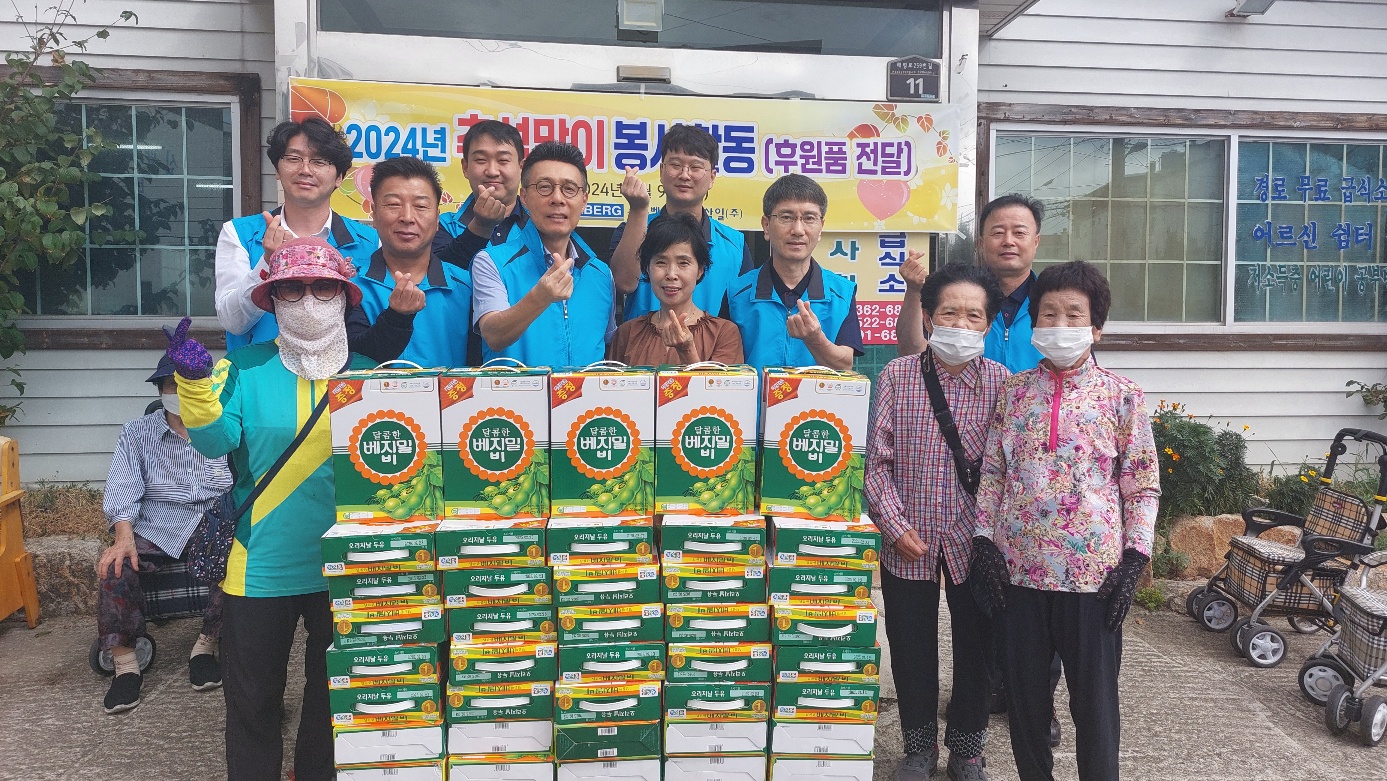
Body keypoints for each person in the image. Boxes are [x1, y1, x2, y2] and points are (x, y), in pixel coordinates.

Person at [168, 238, 376, 781]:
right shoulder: (242, 367)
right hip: (260, 565)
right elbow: (213, 442)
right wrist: (194, 386)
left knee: (332, 697)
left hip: (349, 566)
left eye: (323, 287)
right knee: (254, 700)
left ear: (344, 296)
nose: (308, 300)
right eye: (292, 289)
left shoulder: (373, 376)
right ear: (272, 300)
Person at [969, 260, 1160, 781]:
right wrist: (983, 542)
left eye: (1073, 315)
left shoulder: (1122, 395)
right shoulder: (1013, 392)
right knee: (1026, 706)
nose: (1059, 324)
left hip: (1093, 580)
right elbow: (994, 474)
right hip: (1018, 575)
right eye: (1048, 314)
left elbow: (1142, 484)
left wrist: (1135, 558)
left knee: (1094, 707)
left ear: (1096, 327)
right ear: (1033, 324)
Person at [865, 263, 1008, 781]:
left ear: (987, 324)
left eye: (973, 316)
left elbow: (1007, 470)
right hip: (909, 537)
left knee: (978, 646)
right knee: (910, 646)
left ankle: (968, 750)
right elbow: (875, 463)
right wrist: (893, 524)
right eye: (949, 313)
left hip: (976, 540)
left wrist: (990, 534)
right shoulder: (897, 375)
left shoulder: (1001, 383)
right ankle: (918, 748)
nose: (961, 324)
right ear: (928, 317)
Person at [97, 357, 234, 714]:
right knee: (115, 566)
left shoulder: (225, 428)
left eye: (189, 382)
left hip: (213, 520)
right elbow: (123, 485)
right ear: (160, 390)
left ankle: (205, 647)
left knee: (238, 558)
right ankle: (126, 666)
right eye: (172, 384)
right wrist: (123, 536)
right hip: (156, 523)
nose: (181, 390)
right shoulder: (136, 433)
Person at [214, 117, 379, 350]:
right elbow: (233, 323)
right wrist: (267, 261)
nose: (305, 170)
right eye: (294, 159)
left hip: (342, 372)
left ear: (339, 178)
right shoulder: (239, 234)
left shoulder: (370, 242)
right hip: (258, 371)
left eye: (319, 161)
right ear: (277, 170)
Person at [471, 141, 613, 366]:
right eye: (545, 187)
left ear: (584, 200)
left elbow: (608, 346)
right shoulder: (491, 262)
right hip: (513, 390)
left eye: (569, 189)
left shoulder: (601, 274)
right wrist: (540, 297)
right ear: (524, 197)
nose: (557, 199)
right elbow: (493, 335)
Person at [609, 123, 753, 319]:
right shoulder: (634, 228)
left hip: (712, 340)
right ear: (661, 171)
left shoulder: (735, 245)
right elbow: (623, 283)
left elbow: (745, 314)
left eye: (696, 167)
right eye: (676, 165)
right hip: (644, 339)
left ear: (712, 177)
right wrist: (637, 209)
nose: (685, 175)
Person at [725, 174, 863, 371]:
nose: (798, 230)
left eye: (809, 218)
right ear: (766, 226)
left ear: (821, 228)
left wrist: (815, 339)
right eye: (786, 217)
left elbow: (844, 365)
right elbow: (725, 368)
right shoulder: (736, 293)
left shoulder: (843, 293)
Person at [898, 194, 1045, 374]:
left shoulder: (1051, 302)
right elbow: (911, 352)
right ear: (981, 243)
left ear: (1036, 241)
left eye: (1019, 233)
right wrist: (914, 291)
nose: (1008, 241)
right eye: (998, 233)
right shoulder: (952, 296)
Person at [353, 155, 471, 368]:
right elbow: (353, 360)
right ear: (374, 214)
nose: (407, 217)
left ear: (437, 218)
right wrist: (396, 319)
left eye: (420, 206)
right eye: (393, 204)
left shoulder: (468, 286)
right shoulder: (350, 286)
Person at [608, 213, 744, 366]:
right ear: (647, 268)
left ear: (700, 270)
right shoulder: (627, 333)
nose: (671, 274)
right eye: (661, 262)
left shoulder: (723, 333)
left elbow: (721, 382)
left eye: (683, 263)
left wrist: (687, 352)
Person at [433, 119, 530, 268]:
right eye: (480, 160)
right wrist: (481, 227)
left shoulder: (540, 224)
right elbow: (439, 273)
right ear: (465, 167)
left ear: (521, 167)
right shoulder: (440, 226)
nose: (492, 171)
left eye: (503, 160)